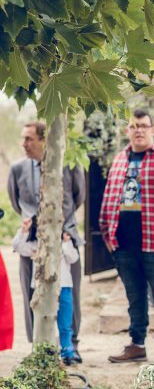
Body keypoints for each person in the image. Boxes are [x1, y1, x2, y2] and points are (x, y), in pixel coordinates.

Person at [100, 109, 154, 362]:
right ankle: (137, 345)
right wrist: (108, 236)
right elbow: (108, 200)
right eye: (133, 126)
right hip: (124, 244)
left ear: (152, 129)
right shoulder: (119, 160)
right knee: (134, 297)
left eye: (143, 125)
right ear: (127, 130)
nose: (138, 130)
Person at [7, 121, 85, 361]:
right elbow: (15, 200)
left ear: (44, 139)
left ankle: (70, 344)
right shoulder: (17, 169)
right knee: (32, 294)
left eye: (29, 138)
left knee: (70, 293)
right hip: (32, 244)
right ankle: (39, 347)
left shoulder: (69, 164)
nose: (24, 144)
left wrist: (64, 227)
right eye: (23, 138)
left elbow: (78, 196)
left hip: (64, 239)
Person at [13, 226, 79, 361]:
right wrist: (23, 231)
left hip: (64, 287)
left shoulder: (63, 244)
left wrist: (66, 242)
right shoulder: (35, 245)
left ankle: (67, 352)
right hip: (41, 289)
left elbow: (73, 258)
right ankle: (42, 353)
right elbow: (18, 246)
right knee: (42, 321)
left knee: (65, 322)